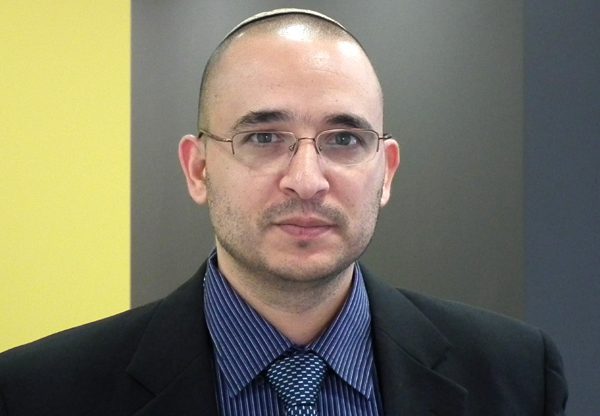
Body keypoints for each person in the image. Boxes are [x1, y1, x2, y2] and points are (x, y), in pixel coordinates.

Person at [0, 8, 567, 416]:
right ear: (198, 169)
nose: (307, 180)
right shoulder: (38, 393)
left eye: (344, 140)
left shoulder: (515, 376)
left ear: (386, 172)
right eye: (265, 137)